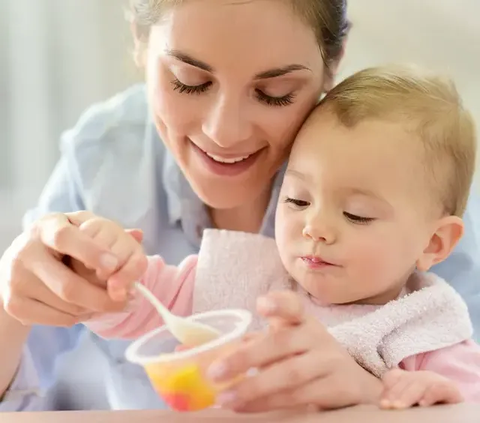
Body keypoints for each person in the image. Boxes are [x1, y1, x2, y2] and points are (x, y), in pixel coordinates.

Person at [0, 0, 479, 413]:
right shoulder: (103, 158)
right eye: (189, 80)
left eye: (275, 93)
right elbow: (133, 303)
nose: (223, 132)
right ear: (141, 44)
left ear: (332, 65)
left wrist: (372, 396)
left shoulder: (406, 175)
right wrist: (41, 293)